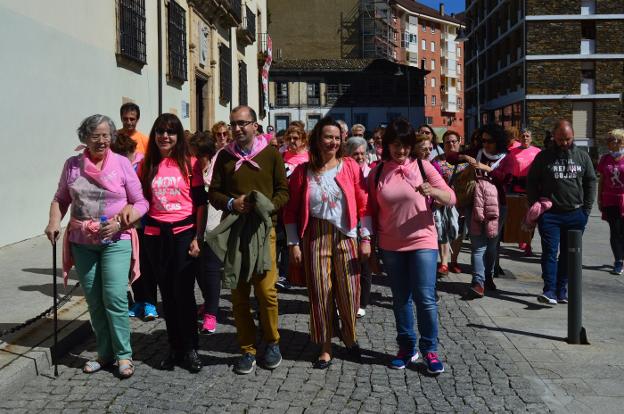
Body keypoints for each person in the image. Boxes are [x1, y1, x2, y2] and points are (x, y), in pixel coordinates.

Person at [45, 114, 149, 378]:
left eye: (106, 135)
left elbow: (141, 203)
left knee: (113, 297)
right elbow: (60, 198)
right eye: (95, 135)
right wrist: (54, 222)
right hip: (82, 242)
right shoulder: (72, 165)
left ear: (112, 137)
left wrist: (123, 221)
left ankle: (124, 355)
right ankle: (104, 354)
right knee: (94, 301)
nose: (101, 140)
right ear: (85, 138)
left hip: (116, 240)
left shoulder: (122, 164)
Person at [367, 117, 455, 374]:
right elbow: (371, 212)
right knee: (400, 298)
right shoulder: (377, 173)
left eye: (405, 145)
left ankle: (430, 349)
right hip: (390, 244)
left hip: (422, 241)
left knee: (425, 298)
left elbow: (451, 197)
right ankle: (407, 347)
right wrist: (371, 250)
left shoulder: (424, 166)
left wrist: (434, 192)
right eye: (396, 145)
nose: (401, 150)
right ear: (386, 145)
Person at [208, 105, 289, 375]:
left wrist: (266, 206)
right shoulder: (224, 158)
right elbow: (214, 193)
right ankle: (247, 349)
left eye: (243, 123)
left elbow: (283, 192)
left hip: (265, 231)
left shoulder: (272, 155)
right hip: (235, 231)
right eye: (234, 124)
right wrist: (232, 202)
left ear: (255, 125)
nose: (238, 128)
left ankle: (272, 341)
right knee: (239, 294)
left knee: (266, 291)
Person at [284, 117, 370, 369]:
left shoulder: (350, 166)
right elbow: (290, 210)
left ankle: (349, 337)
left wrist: (365, 237)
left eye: (336, 137)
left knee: (349, 292)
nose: (332, 142)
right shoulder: (303, 171)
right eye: (327, 137)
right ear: (317, 139)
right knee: (321, 292)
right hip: (315, 234)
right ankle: (325, 346)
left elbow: (363, 203)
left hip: (346, 234)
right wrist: (293, 243)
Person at [138, 113, 206, 373]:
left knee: (184, 294)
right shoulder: (147, 165)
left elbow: (200, 203)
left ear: (178, 136)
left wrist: (198, 238)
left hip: (183, 235)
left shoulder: (190, 163)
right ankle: (174, 347)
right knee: (166, 294)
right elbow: (142, 201)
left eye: (170, 132)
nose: (164, 136)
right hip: (155, 237)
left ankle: (190, 348)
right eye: (160, 131)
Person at [527, 119, 596, 304]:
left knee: (568, 254)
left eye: (567, 139)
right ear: (553, 137)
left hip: (575, 214)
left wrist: (586, 210)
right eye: (560, 139)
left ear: (573, 136)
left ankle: (562, 289)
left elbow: (591, 181)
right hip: (550, 215)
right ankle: (549, 290)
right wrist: (535, 205)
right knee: (549, 252)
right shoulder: (543, 157)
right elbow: (532, 181)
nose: (564, 143)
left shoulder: (582, 156)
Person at [447, 124, 514, 298]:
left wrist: (488, 170)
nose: (485, 144)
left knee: (492, 245)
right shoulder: (477, 152)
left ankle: (488, 276)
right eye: (482, 140)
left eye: (489, 141)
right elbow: (452, 158)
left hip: (498, 206)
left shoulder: (507, 158)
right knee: (478, 245)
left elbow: (506, 177)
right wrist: (464, 156)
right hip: (474, 204)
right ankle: (477, 282)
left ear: (498, 142)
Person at [188, 132, 222, 333]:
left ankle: (211, 314)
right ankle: (208, 302)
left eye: (198, 155)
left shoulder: (216, 169)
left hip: (214, 226)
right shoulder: (192, 168)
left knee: (211, 269)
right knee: (198, 269)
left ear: (207, 154)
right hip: (195, 222)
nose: (195, 159)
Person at [276, 123, 310, 290]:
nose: (292, 141)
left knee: (304, 240)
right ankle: (284, 274)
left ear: (303, 140)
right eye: (289, 138)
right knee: (284, 241)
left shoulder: (310, 157)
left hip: (304, 205)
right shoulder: (282, 155)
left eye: (296, 138)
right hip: (285, 204)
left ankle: (305, 274)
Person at [434, 130, 468, 276]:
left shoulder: (466, 160)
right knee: (442, 230)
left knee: (458, 232)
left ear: (459, 142)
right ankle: (444, 263)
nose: (451, 144)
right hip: (443, 201)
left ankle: (454, 261)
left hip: (461, 202)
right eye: (447, 142)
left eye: (454, 141)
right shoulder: (437, 160)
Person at [345, 136, 373, 318]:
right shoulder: (344, 171)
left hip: (367, 222)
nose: (360, 157)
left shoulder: (371, 173)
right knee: (347, 265)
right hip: (348, 223)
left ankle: (362, 302)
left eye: (363, 153)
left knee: (365, 265)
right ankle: (347, 300)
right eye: (356, 154)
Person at [507, 128, 541, 256]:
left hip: (531, 187)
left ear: (531, 139)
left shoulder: (537, 152)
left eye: (527, 136)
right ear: (519, 138)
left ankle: (528, 244)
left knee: (531, 216)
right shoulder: (512, 152)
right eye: (523, 136)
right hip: (515, 186)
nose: (525, 138)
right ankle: (521, 238)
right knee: (518, 215)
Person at [598, 129, 624, 275]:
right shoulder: (605, 158)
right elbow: (601, 180)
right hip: (610, 198)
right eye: (608, 140)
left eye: (611, 140)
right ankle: (618, 261)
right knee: (615, 230)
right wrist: (599, 198)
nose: (608, 143)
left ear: (619, 141)